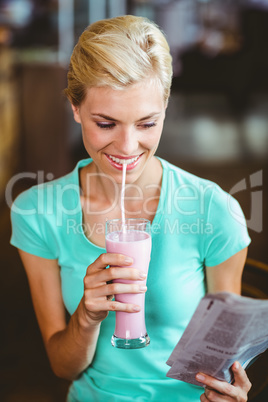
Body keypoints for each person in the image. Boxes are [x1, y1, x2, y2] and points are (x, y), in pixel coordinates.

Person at [10, 15, 252, 402]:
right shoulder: (36, 212)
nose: (127, 147)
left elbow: (224, 359)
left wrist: (229, 391)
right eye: (105, 123)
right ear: (75, 107)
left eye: (146, 123)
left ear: (166, 107)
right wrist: (86, 318)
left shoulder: (214, 210)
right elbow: (62, 365)